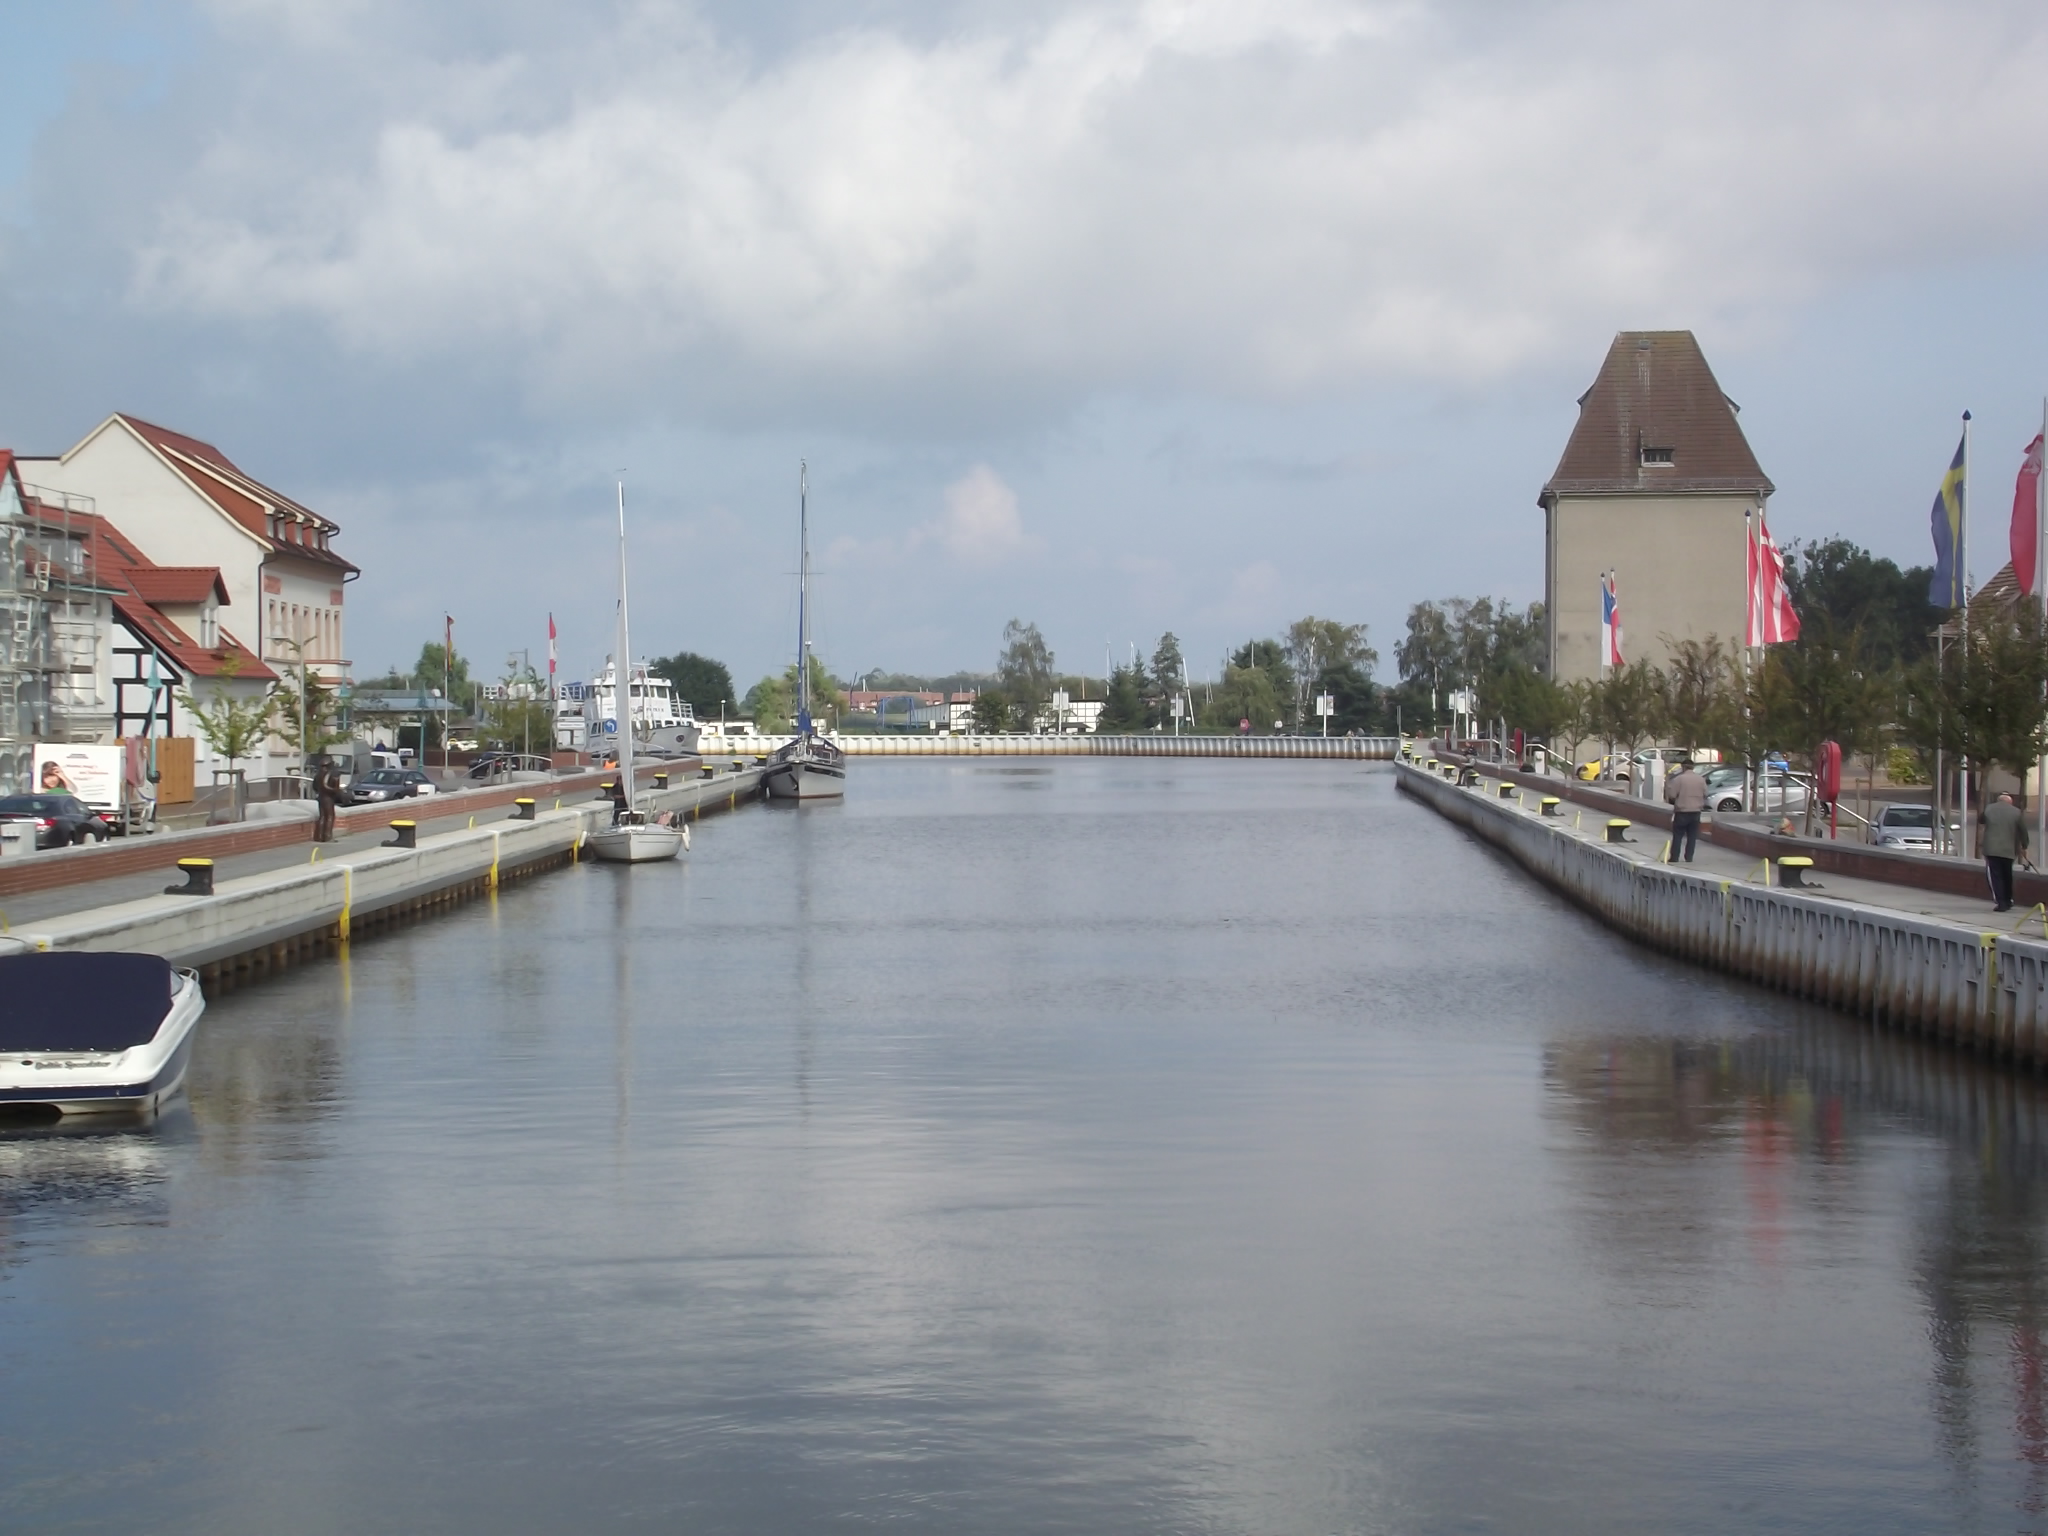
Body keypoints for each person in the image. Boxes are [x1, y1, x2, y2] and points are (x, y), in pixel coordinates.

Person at [1981, 791, 2030, 912]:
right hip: (2009, 850)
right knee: (2007, 875)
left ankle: (2001, 902)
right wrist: (2024, 845)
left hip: (1992, 849)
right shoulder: (2016, 812)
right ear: (2010, 802)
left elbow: (1981, 820)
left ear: (1998, 800)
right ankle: (2008, 900)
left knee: (1995, 876)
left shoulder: (1989, 808)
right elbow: (2023, 830)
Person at [1663, 756, 1708, 863]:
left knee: (1678, 835)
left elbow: (1672, 795)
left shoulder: (1679, 779)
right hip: (1696, 812)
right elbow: (1706, 794)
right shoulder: (1701, 780)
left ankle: (1675, 857)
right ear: (1693, 768)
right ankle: (1689, 857)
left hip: (1682, 811)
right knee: (1692, 836)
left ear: (1683, 767)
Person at [313, 764, 344, 843]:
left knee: (322, 816)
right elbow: (328, 787)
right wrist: (336, 790)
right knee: (330, 816)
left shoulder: (318, 774)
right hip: (328, 798)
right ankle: (327, 836)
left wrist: (319, 791)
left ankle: (319, 836)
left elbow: (314, 786)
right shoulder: (329, 774)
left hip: (320, 796)